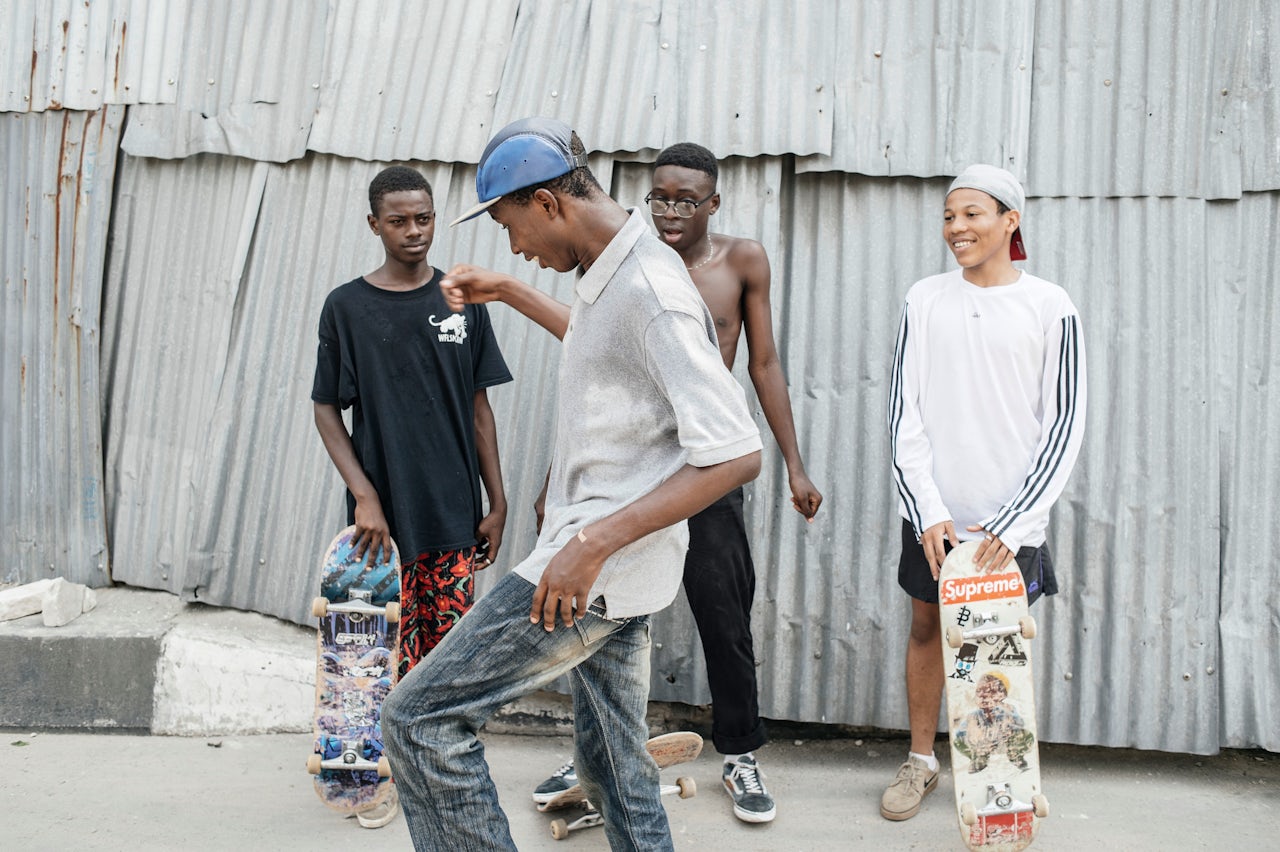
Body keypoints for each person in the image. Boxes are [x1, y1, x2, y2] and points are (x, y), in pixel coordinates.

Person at [381, 117, 763, 851]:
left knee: (418, 718)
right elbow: (603, 344)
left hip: (591, 571)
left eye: (510, 226)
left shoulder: (650, 287)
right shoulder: (615, 268)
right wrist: (511, 291)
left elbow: (735, 453)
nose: (516, 244)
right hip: (622, 573)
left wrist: (591, 544)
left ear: (548, 203)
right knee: (618, 765)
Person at [523, 142, 823, 825]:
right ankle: (596, 753)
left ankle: (740, 753)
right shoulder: (621, 265)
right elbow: (593, 376)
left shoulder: (740, 263)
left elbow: (766, 364)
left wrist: (796, 465)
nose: (671, 211)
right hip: (633, 471)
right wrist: (555, 479)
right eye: (659, 196)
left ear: (712, 204)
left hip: (704, 468)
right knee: (607, 615)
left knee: (723, 611)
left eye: (687, 200)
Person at [882, 163, 1086, 821]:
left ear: (1009, 220)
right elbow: (902, 415)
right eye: (948, 216)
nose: (957, 228)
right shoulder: (924, 298)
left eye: (972, 214)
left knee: (1000, 644)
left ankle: (1003, 771)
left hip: (1010, 523)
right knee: (925, 628)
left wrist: (1014, 519)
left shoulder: (1050, 304)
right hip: (939, 514)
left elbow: (1065, 422)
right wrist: (928, 512)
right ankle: (920, 762)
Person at [311, 166, 513, 826]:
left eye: (423, 218)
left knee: (445, 658)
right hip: (381, 529)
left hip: (453, 513)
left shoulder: (461, 299)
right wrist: (364, 495)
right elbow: (325, 411)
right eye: (398, 220)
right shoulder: (348, 307)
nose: (414, 231)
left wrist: (498, 499)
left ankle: (435, 775)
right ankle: (376, 778)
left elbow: (480, 409)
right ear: (374, 225)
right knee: (374, 658)